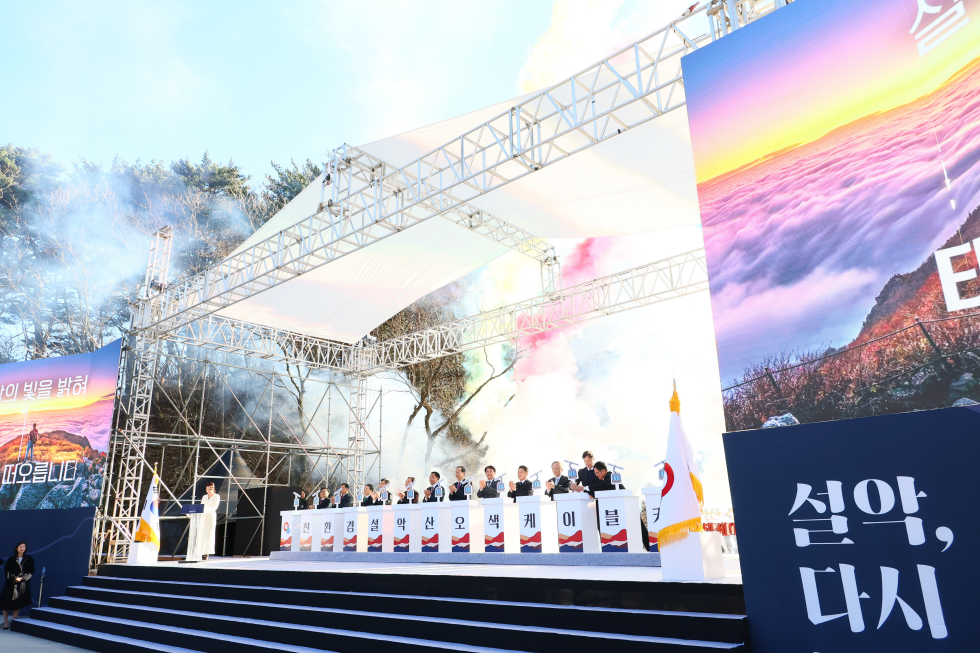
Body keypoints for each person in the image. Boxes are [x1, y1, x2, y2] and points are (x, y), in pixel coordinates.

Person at [2, 541, 34, 630]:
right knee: (5, 603)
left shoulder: (29, 559)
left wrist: (23, 578)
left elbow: (31, 570)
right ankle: (6, 622)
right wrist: (14, 578)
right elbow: (7, 571)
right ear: (17, 548)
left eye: (24, 547)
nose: (22, 548)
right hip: (10, 584)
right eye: (20, 547)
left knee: (18, 603)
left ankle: (14, 620)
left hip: (22, 584)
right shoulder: (11, 559)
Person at [200, 482, 221, 561]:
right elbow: (201, 506)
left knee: (209, 534)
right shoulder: (204, 497)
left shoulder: (216, 496)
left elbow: (214, 507)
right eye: (207, 489)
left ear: (213, 489)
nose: (208, 491)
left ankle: (207, 552)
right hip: (203, 516)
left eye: (209, 489)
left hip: (210, 517)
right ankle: (201, 551)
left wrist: (205, 510)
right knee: (202, 534)